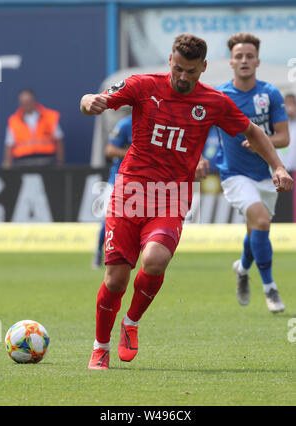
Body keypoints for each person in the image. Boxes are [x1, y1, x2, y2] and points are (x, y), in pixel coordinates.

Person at [80, 33, 293, 370]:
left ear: (203, 68)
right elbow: (97, 100)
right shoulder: (142, 85)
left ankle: (131, 323)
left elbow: (252, 131)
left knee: (155, 259)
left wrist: (278, 166)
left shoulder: (214, 102)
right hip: (129, 192)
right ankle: (100, 347)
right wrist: (88, 100)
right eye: (178, 68)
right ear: (170, 61)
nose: (182, 77)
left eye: (190, 71)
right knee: (115, 280)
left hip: (171, 196)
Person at [213, 33, 290, 313]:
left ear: (257, 60)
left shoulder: (269, 94)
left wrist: (260, 138)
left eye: (249, 56)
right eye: (239, 56)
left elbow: (283, 137)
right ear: (231, 61)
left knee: (257, 227)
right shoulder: (220, 96)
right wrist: (196, 158)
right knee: (260, 220)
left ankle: (242, 268)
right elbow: (199, 131)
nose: (244, 60)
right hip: (234, 174)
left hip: (266, 174)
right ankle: (270, 288)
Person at [92, 114, 132, 269]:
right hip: (119, 179)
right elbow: (109, 150)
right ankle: (99, 250)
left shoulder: (153, 124)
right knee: (110, 218)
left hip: (143, 180)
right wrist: (133, 153)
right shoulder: (125, 124)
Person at [3, 89, 64, 167]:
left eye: (28, 101)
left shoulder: (49, 117)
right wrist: (7, 165)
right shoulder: (14, 121)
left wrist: (60, 163)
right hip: (24, 163)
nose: (26, 104)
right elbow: (9, 146)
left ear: (33, 101)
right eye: (23, 102)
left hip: (46, 161)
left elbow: (58, 141)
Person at [277, 94, 296, 172]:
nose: (289, 107)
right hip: (281, 166)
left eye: (291, 104)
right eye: (287, 104)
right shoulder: (279, 122)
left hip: (293, 166)